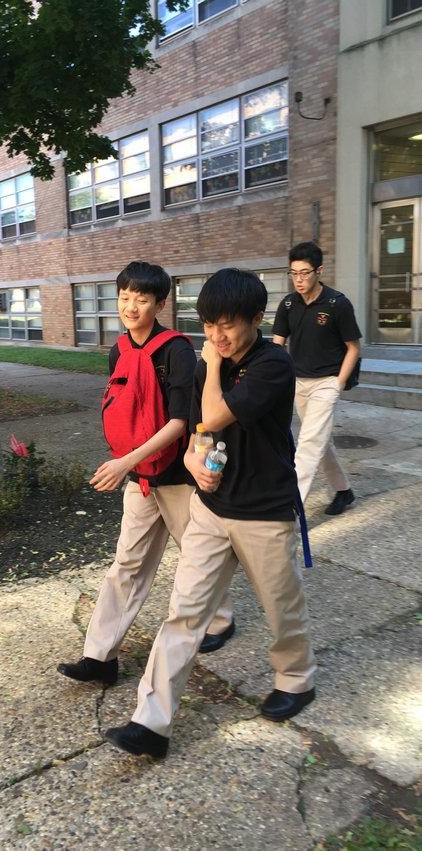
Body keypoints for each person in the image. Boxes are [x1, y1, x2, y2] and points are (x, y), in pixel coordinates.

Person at [105, 269, 316, 759]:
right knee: (184, 612)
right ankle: (150, 723)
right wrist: (193, 460)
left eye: (227, 325)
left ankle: (296, 678)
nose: (217, 335)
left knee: (281, 607)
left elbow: (218, 413)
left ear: (257, 319)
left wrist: (213, 364)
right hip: (211, 510)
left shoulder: (273, 364)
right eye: (208, 325)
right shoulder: (211, 365)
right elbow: (202, 430)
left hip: (264, 512)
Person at [57, 260, 217, 686]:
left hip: (178, 477)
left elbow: (180, 422)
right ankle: (100, 657)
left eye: (141, 299)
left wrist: (125, 461)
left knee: (199, 557)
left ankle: (220, 619)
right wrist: (128, 463)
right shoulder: (119, 350)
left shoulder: (176, 351)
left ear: (160, 304)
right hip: (141, 476)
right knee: (126, 564)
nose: (130, 306)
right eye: (124, 297)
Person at [272, 242, 362, 515]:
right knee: (320, 441)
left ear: (319, 271)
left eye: (305, 273)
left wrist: (338, 384)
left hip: (326, 383)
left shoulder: (337, 304)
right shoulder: (288, 304)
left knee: (309, 444)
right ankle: (344, 490)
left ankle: (289, 510)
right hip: (298, 383)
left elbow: (353, 347)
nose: (298, 279)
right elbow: (278, 345)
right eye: (294, 273)